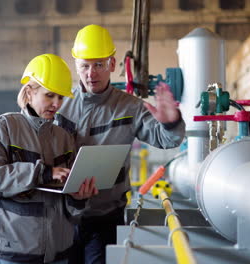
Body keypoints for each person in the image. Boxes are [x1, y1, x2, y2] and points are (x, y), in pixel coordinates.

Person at [55, 24, 186, 264]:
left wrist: (171, 122)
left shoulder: (130, 107)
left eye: (99, 65)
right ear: (76, 65)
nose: (91, 73)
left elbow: (168, 139)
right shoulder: (60, 107)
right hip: (62, 217)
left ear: (112, 65)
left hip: (105, 217)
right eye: (84, 65)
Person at [0, 54, 98, 264]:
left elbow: (69, 209)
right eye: (50, 95)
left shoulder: (64, 138)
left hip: (59, 253)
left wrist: (78, 197)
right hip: (16, 254)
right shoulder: (4, 127)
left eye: (61, 97)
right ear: (29, 92)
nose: (56, 104)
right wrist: (43, 173)